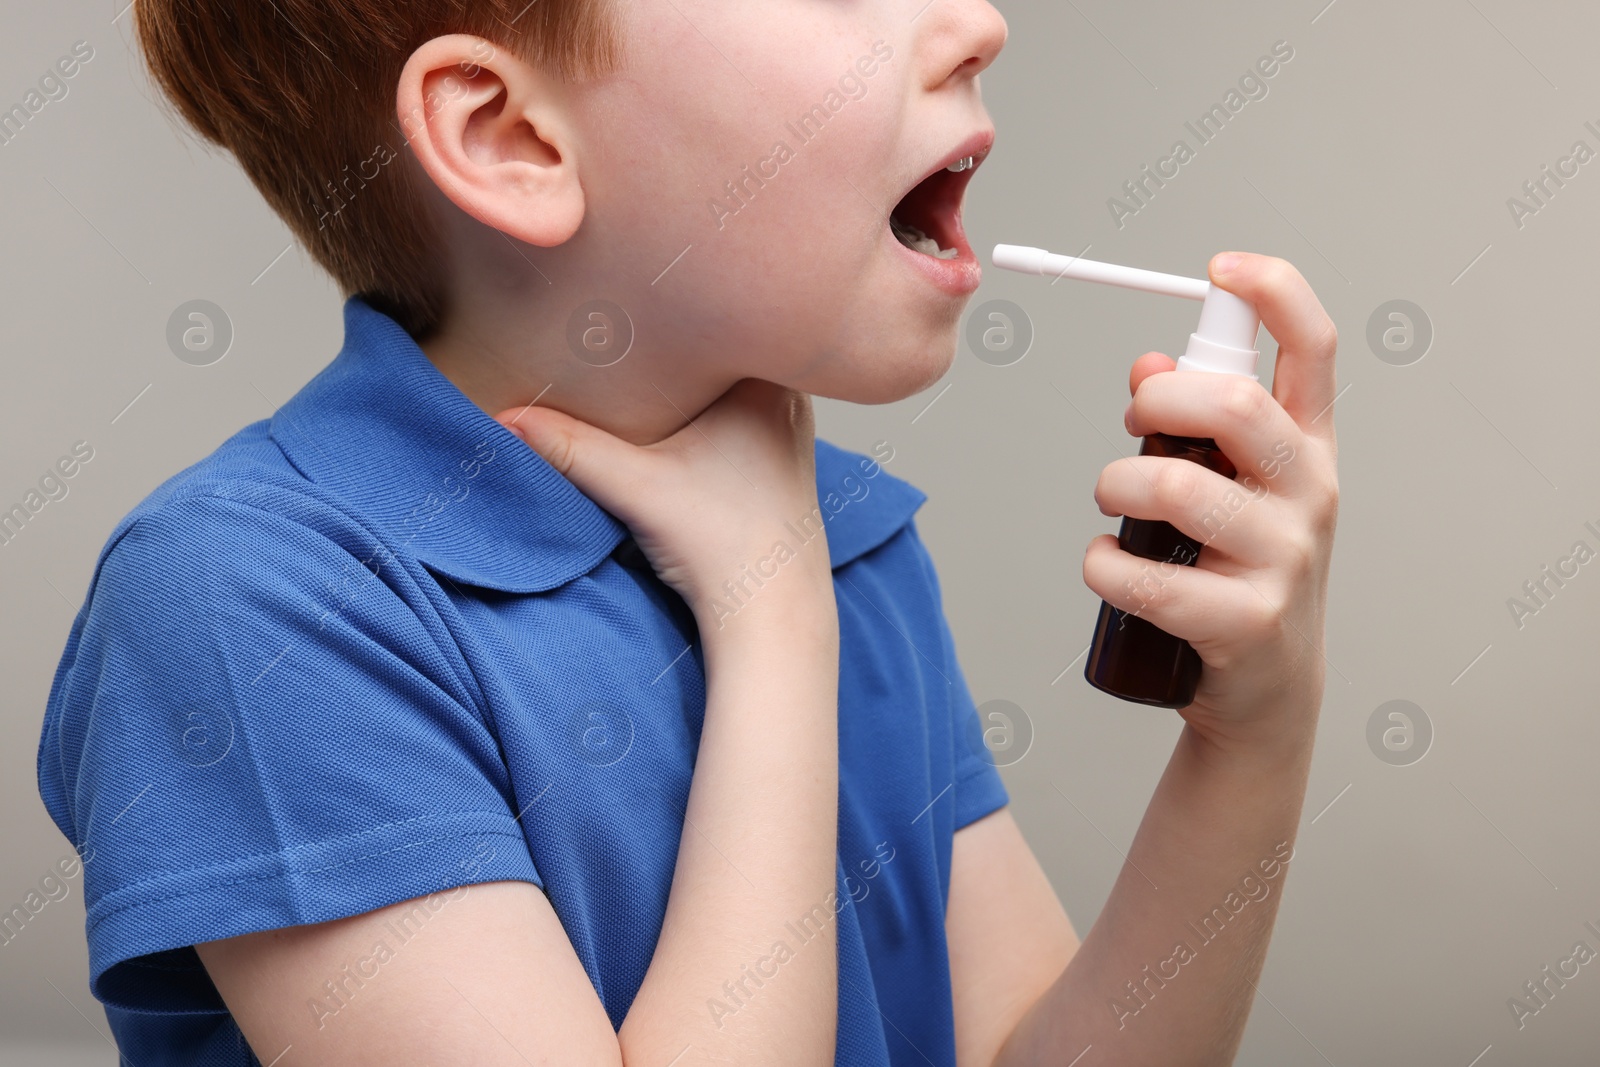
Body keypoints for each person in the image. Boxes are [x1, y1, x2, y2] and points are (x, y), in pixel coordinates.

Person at [35, 1, 1341, 1063]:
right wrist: (769, 623)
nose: (978, 23)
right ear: (508, 137)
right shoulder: (255, 605)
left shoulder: (847, 541)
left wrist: (1250, 743)